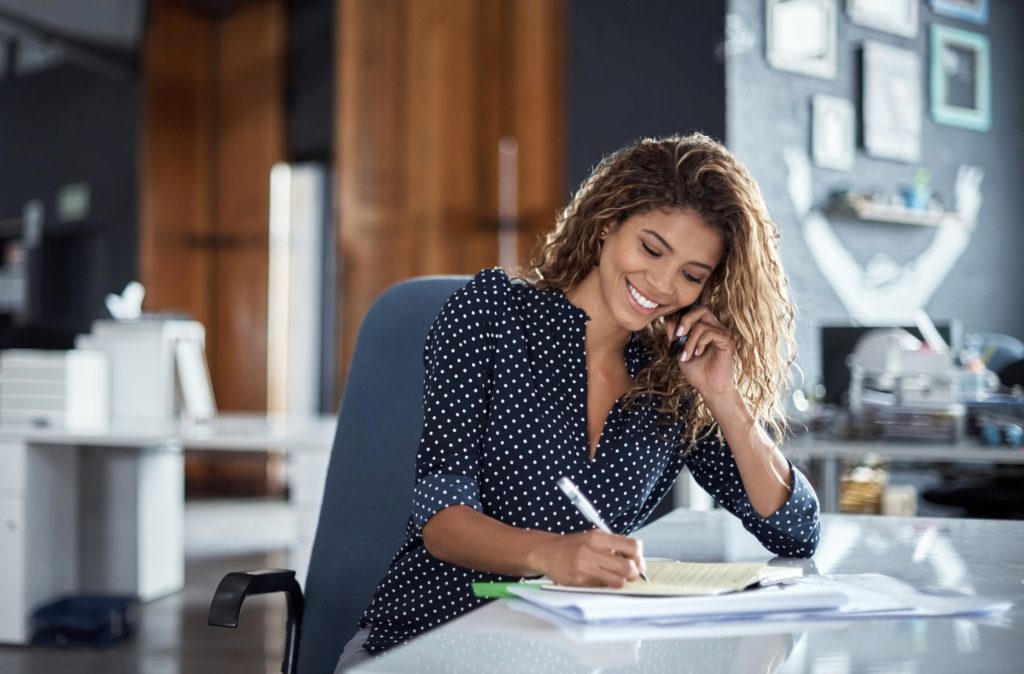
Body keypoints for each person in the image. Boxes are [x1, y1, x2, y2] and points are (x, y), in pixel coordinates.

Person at [335, 133, 820, 671]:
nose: (661, 283)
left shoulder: (671, 383)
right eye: (651, 248)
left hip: (567, 656)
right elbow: (441, 521)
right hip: (430, 640)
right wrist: (551, 554)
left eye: (691, 275)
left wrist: (727, 400)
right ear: (608, 222)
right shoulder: (491, 315)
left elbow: (794, 531)